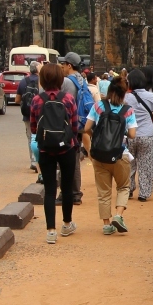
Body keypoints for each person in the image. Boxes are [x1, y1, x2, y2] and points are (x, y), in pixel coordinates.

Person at [29, 61, 79, 244]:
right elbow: (74, 125)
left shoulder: (37, 100)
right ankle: (66, 224)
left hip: (45, 149)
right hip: (66, 148)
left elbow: (34, 128)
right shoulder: (67, 99)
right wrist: (70, 141)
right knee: (66, 188)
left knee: (49, 190)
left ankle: (51, 230)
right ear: (60, 79)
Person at [83, 77, 137, 234]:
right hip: (120, 154)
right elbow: (132, 134)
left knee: (103, 191)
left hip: (99, 155)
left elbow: (86, 127)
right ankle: (119, 215)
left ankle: (106, 224)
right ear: (124, 93)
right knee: (123, 186)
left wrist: (97, 137)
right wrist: (122, 131)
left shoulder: (98, 106)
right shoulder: (127, 110)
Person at [125, 67, 153, 202]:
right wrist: (151, 114)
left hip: (130, 135)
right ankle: (144, 193)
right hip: (147, 135)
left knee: (129, 163)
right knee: (146, 164)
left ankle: (129, 189)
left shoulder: (126, 97)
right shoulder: (151, 96)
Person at [57, 54, 87, 205]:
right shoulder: (82, 79)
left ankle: (68, 193)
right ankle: (75, 193)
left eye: (63, 64)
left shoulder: (67, 81)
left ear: (69, 65)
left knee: (65, 160)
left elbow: (64, 105)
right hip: (79, 123)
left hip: (68, 125)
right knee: (74, 160)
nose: (61, 67)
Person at [16, 60, 41, 170]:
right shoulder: (43, 80)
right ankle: (41, 160)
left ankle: (33, 161)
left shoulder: (23, 81)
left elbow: (17, 99)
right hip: (41, 114)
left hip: (28, 114)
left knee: (31, 137)